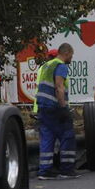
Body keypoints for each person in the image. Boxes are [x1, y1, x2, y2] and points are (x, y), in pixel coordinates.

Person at [36, 43, 79, 180]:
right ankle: (66, 169)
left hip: (43, 107)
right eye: (71, 55)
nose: (71, 58)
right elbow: (59, 87)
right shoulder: (61, 66)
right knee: (67, 135)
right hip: (55, 107)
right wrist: (63, 108)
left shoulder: (47, 65)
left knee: (47, 137)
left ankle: (45, 170)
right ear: (66, 53)